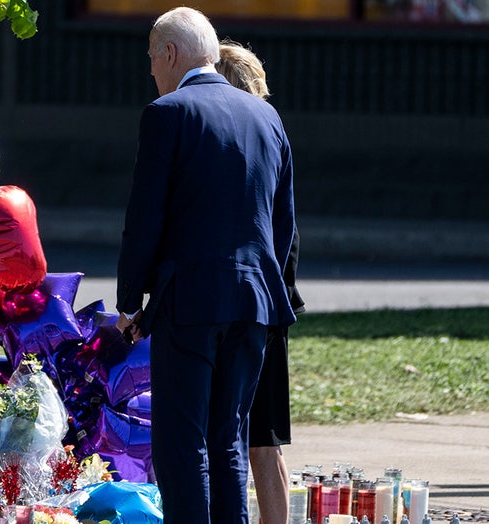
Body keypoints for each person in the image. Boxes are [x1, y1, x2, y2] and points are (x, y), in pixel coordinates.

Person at [115, 8, 296, 524]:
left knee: (182, 440)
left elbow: (144, 219)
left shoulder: (167, 112)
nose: (151, 71)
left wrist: (131, 302)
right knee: (229, 439)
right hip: (256, 303)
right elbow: (282, 223)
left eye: (152, 59)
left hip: (190, 301)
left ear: (170, 53)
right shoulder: (268, 117)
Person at [215, 41, 306, 524]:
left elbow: (281, 231)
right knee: (261, 441)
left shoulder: (246, 142)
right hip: (271, 302)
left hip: (256, 309)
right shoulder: (270, 134)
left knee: (258, 443)